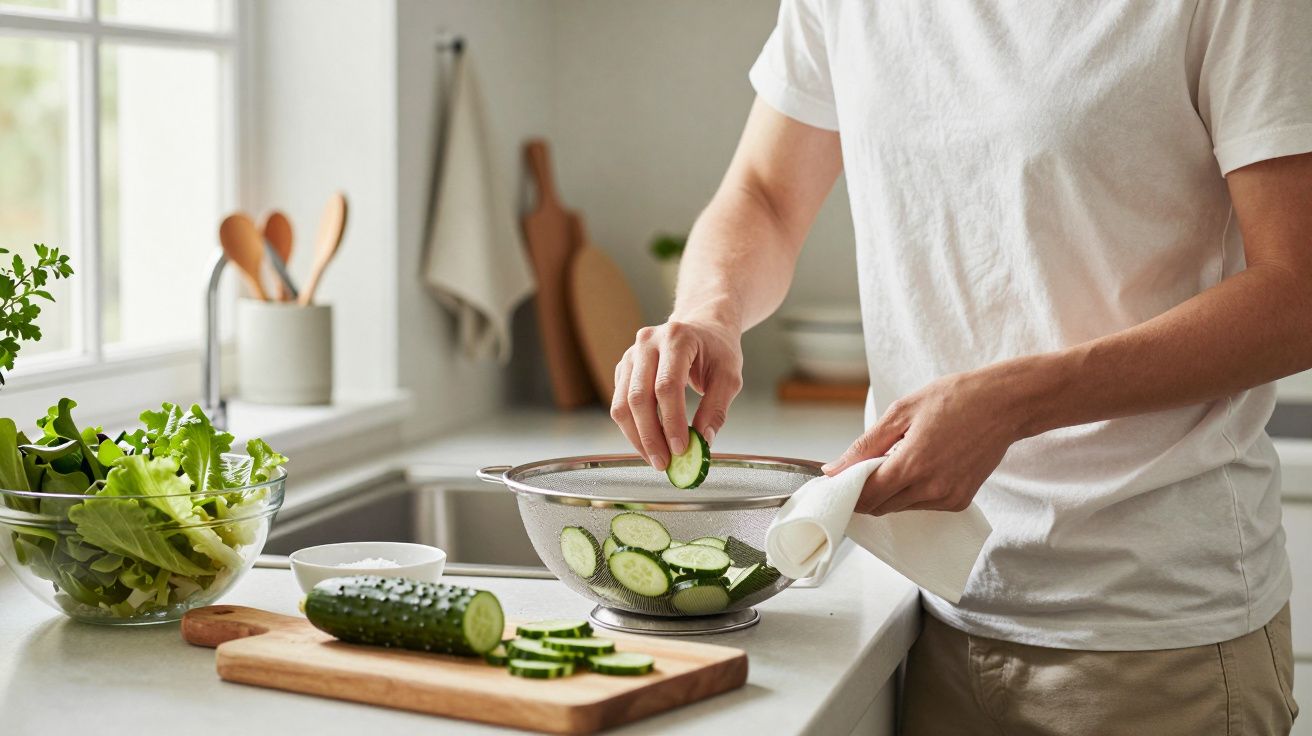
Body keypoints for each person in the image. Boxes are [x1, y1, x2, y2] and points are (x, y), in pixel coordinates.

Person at [609, 2, 1309, 733]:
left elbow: (1301, 294)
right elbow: (766, 192)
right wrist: (707, 309)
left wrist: (1015, 402)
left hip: (1148, 634)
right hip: (918, 603)